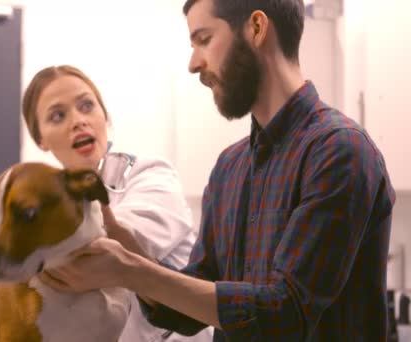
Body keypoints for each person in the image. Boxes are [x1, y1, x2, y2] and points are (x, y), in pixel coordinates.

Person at [38, 0, 396, 341]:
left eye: (204, 40)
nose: (194, 64)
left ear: (256, 28)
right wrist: (124, 249)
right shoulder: (230, 167)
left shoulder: (339, 151)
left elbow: (285, 314)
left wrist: (129, 270)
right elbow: (187, 310)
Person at [0, 65, 214, 342]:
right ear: (40, 139)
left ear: (104, 117)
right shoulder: (47, 203)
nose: (78, 121)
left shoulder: (151, 175)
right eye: (58, 115)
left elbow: (94, 251)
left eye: (86, 106)